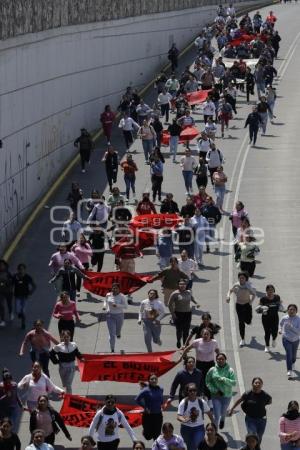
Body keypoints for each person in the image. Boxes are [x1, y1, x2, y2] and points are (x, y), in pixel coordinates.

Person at [229, 377, 272, 444]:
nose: (257, 384)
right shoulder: (247, 394)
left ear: (262, 385)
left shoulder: (265, 395)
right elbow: (239, 400)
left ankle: (256, 447)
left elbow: (269, 401)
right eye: (256, 383)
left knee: (259, 437)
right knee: (253, 436)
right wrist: (232, 409)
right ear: (252, 384)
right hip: (250, 419)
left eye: (259, 383)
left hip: (262, 420)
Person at [182, 328, 219, 402]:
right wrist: (184, 356)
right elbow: (187, 348)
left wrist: (219, 357)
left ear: (210, 335)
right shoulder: (197, 342)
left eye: (207, 334)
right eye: (204, 334)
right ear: (201, 334)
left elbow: (217, 350)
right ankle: (200, 396)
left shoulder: (214, 342)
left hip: (210, 364)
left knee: (209, 381)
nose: (206, 336)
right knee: (200, 380)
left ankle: (209, 398)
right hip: (200, 364)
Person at [177, 382, 213, 450]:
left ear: (197, 391)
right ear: (187, 391)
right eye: (190, 390)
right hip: (186, 428)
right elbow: (178, 416)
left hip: (199, 428)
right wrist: (184, 420)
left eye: (194, 390)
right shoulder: (184, 402)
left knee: (195, 444)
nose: (192, 392)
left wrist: (213, 423)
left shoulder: (201, 402)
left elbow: (209, 413)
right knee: (190, 446)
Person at [206, 353, 236, 430]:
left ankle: (223, 419)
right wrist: (214, 390)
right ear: (216, 360)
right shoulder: (212, 370)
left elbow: (234, 383)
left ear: (225, 360)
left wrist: (224, 379)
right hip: (216, 396)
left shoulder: (230, 370)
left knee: (223, 412)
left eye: (222, 359)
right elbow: (208, 381)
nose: (220, 360)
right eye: (219, 359)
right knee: (216, 414)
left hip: (227, 395)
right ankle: (215, 432)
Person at [226, 272, 256, 347]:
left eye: (243, 278)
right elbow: (230, 291)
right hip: (239, 305)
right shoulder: (236, 285)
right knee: (241, 322)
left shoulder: (248, 286)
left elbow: (254, 294)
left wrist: (251, 302)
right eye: (240, 278)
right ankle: (242, 339)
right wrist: (228, 296)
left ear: (246, 279)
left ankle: (248, 322)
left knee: (248, 321)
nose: (241, 279)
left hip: (247, 305)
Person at [169, 279, 199, 348]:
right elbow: (169, 304)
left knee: (186, 330)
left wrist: (196, 303)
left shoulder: (188, 292)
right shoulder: (175, 293)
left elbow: (192, 298)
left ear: (186, 285)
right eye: (181, 284)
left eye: (184, 284)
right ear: (178, 285)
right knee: (179, 330)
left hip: (187, 313)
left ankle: (185, 344)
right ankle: (178, 340)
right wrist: (173, 314)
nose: (182, 285)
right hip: (178, 314)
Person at [256, 284, 285, 352]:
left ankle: (274, 340)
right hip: (266, 318)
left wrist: (283, 309)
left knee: (275, 332)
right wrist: (262, 310)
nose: (270, 292)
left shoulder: (277, 297)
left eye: (272, 290)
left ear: (274, 291)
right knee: (267, 332)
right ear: (266, 291)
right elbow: (257, 309)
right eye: (269, 290)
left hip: (275, 317)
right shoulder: (263, 299)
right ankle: (267, 346)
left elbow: (280, 305)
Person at [136, 374, 164, 441]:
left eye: (155, 379)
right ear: (149, 381)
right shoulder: (146, 390)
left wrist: (161, 406)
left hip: (158, 415)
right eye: (152, 379)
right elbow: (137, 399)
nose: (154, 380)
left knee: (156, 436)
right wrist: (145, 407)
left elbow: (161, 399)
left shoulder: (161, 389)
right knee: (148, 436)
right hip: (148, 415)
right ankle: (145, 432)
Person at [102, 283, 127, 353]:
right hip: (110, 315)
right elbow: (105, 300)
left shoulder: (122, 296)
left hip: (119, 315)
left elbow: (126, 306)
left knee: (117, 331)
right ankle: (112, 348)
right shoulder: (108, 294)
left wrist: (117, 305)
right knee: (112, 334)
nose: (114, 289)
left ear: (119, 289)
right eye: (113, 288)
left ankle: (118, 333)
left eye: (116, 288)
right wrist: (104, 306)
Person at [279, 304, 300, 379]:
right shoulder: (284, 318)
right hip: (286, 339)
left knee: (293, 355)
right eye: (290, 309)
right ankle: (289, 370)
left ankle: (293, 362)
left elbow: (298, 332)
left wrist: (291, 327)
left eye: (293, 310)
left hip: (295, 340)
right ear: (287, 310)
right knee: (289, 353)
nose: (291, 311)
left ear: (296, 311)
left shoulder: (298, 319)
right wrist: (280, 330)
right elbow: (280, 325)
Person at [12, 263, 36, 329]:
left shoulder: (28, 277)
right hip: (17, 296)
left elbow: (34, 286)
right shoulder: (15, 277)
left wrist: (30, 292)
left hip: (25, 296)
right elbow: (11, 284)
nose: (21, 271)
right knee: (17, 310)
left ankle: (23, 323)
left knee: (23, 311)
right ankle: (20, 314)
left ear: (25, 270)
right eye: (19, 269)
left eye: (22, 269)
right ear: (17, 270)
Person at [0, 260, 13, 326]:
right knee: (1, 306)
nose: (1, 266)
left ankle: (10, 313)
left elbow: (12, 281)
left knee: (9, 304)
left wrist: (6, 282)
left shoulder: (8, 273)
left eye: (2, 265)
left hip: (8, 291)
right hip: (1, 292)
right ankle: (2, 320)